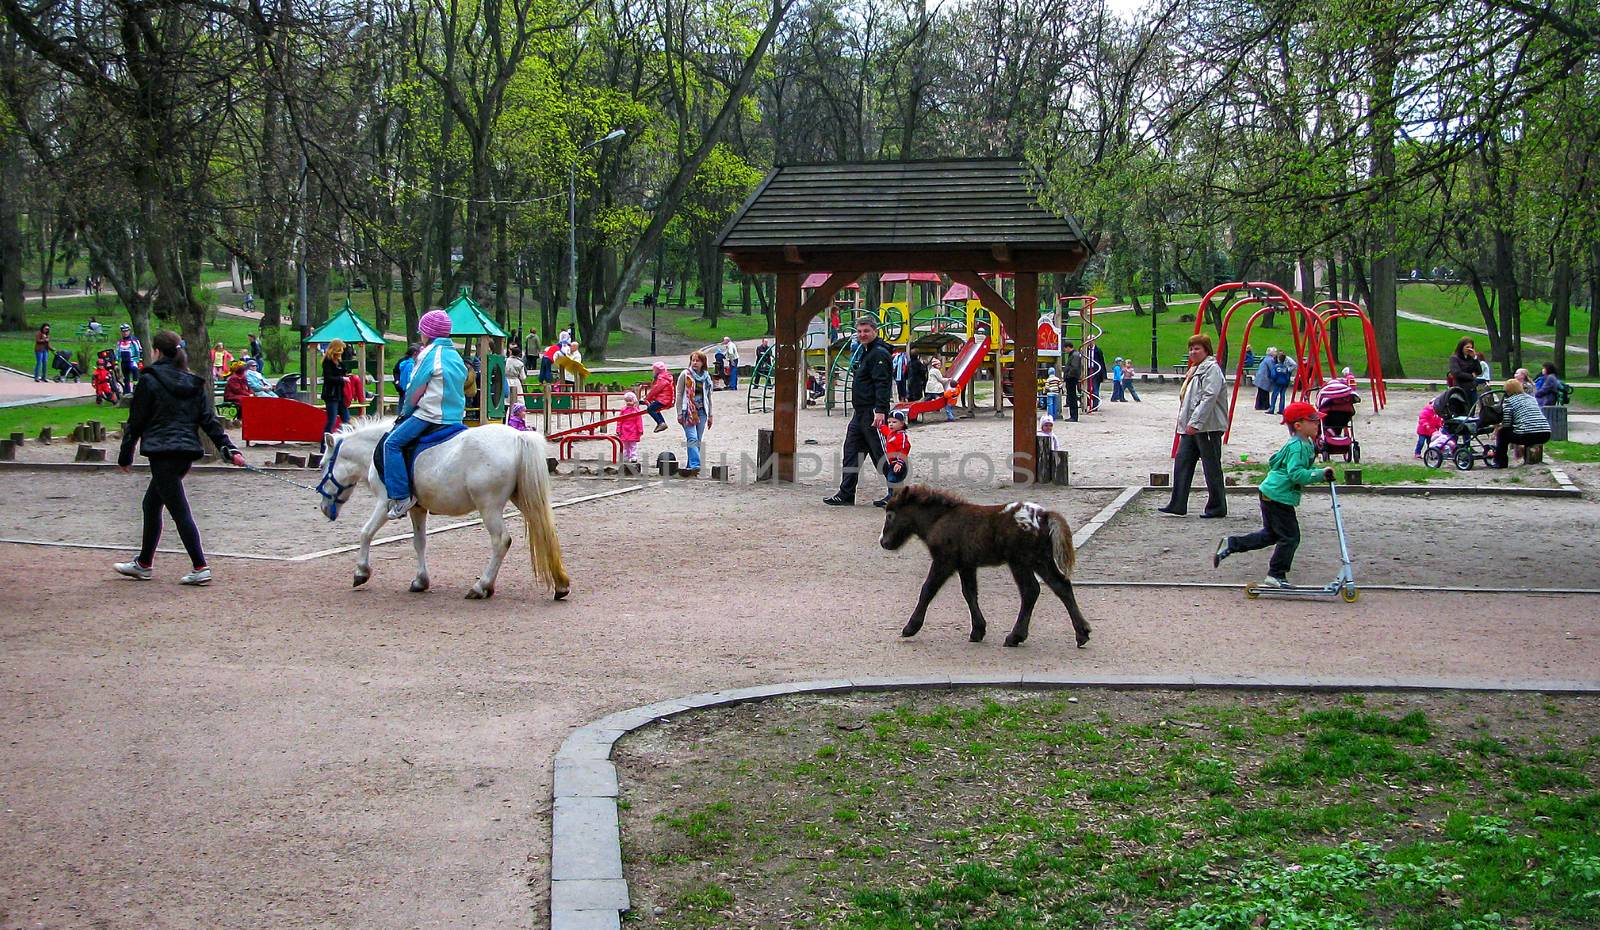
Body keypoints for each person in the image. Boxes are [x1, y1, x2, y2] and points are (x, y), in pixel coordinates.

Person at [114, 329, 246, 586]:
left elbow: (136, 421)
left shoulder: (149, 380)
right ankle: (143, 563)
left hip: (162, 452)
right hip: (184, 453)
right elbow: (209, 421)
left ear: (157, 352)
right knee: (151, 504)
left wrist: (125, 454)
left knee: (178, 509)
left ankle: (200, 566)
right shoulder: (193, 383)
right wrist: (228, 448)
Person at [1212, 401, 1335, 589]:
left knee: (1271, 535)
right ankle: (1276, 574)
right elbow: (1296, 474)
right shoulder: (1298, 446)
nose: (1317, 424)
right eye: (1313, 421)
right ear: (1298, 425)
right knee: (1291, 537)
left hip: (1271, 494)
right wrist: (1320, 474)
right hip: (1278, 497)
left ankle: (1232, 543)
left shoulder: (1303, 443)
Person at [384, 309, 468, 518]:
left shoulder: (428, 354)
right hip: (456, 417)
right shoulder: (456, 356)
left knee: (391, 444)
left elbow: (414, 389)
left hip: (430, 415)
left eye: (422, 331)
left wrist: (405, 413)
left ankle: (401, 497)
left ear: (427, 333)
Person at [824, 316, 893, 506]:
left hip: (872, 412)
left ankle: (896, 494)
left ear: (875, 332)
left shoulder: (878, 353)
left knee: (881, 453)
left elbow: (883, 384)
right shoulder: (866, 352)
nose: (862, 334)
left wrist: (880, 410)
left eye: (866, 331)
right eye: (860, 331)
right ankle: (846, 493)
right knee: (851, 451)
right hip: (860, 413)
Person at [1159, 333, 1229, 519]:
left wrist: (1196, 423)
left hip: (1208, 426)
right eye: (1191, 348)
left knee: (1211, 466)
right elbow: (1188, 400)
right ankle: (1178, 503)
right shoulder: (1195, 370)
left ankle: (1217, 507)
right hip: (1191, 426)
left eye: (1197, 348)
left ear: (1206, 350)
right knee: (1182, 462)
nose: (1193, 352)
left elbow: (1209, 397)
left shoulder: (1211, 369)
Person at [1493, 378, 1551, 468]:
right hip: (1545, 433)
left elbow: (1507, 423)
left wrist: (1499, 426)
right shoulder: (1531, 399)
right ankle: (1527, 457)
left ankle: (1500, 462)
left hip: (1528, 434)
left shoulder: (1509, 401)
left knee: (1502, 433)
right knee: (1523, 431)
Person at [677, 351, 714, 476]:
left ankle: (690, 466)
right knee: (692, 438)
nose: (695, 363)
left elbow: (709, 396)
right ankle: (696, 465)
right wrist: (679, 413)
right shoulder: (685, 374)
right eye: (693, 360)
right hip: (688, 410)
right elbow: (679, 393)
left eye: (697, 360)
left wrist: (710, 415)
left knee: (697, 440)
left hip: (702, 411)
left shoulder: (706, 377)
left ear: (703, 363)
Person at [875, 409, 911, 507]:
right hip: (892, 463)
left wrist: (900, 462)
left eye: (894, 422)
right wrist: (880, 426)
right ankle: (894, 497)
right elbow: (886, 432)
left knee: (893, 480)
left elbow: (905, 449)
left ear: (902, 423)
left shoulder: (901, 436)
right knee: (892, 480)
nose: (891, 424)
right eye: (889, 422)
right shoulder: (892, 433)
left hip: (899, 464)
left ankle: (894, 498)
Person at [320, 341, 350, 444]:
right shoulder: (328, 361)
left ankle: (344, 441)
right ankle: (324, 444)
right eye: (341, 349)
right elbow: (328, 378)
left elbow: (343, 372)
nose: (342, 351)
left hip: (340, 394)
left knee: (346, 419)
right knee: (331, 420)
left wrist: (347, 376)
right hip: (331, 395)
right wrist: (342, 379)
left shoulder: (339, 362)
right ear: (336, 349)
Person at [643, 361, 674, 432]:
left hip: (664, 399)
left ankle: (660, 423)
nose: (653, 372)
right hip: (666, 398)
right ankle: (662, 423)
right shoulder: (665, 377)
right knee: (654, 408)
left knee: (650, 409)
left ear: (657, 371)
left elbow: (655, 390)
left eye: (653, 370)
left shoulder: (661, 379)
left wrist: (647, 398)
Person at [1447, 337, 1480, 404]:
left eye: (1471, 347)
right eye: (1467, 347)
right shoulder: (1454, 358)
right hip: (1461, 388)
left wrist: (1475, 358)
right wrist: (1471, 376)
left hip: (1472, 388)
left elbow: (1479, 371)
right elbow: (1457, 373)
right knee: (1462, 409)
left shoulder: (1471, 358)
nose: (1469, 349)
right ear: (1461, 347)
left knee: (1471, 410)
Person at [617, 391, 644, 464]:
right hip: (624, 430)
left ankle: (633, 457)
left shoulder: (636, 411)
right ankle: (626, 457)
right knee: (625, 445)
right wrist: (618, 429)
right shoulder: (623, 410)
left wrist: (640, 430)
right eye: (627, 401)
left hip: (633, 430)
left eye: (630, 401)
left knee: (633, 445)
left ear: (634, 401)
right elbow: (620, 421)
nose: (628, 402)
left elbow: (639, 421)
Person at [115, 324, 142, 393]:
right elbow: (117, 352)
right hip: (124, 362)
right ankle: (127, 392)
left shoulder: (134, 340)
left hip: (132, 361)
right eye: (123, 331)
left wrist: (140, 361)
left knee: (134, 372)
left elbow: (139, 350)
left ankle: (136, 389)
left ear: (129, 331)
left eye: (127, 331)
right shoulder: (120, 342)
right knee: (126, 378)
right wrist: (116, 363)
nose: (125, 333)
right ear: (121, 332)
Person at [1061, 340, 1083, 421]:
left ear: (1068, 347)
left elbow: (1074, 367)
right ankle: (1073, 416)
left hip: (1072, 378)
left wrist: (1068, 375)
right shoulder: (1075, 355)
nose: (1065, 351)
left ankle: (1074, 416)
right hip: (1072, 378)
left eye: (1065, 349)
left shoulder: (1074, 355)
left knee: (1072, 397)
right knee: (1071, 397)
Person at [1268, 349, 1292, 415]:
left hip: (1277, 382)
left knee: (1274, 395)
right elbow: (1288, 375)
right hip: (1284, 383)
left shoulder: (1276, 366)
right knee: (1282, 396)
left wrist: (1274, 380)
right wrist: (1287, 381)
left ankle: (1272, 409)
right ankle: (1281, 410)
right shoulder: (1286, 367)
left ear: (1278, 359)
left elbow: (1273, 375)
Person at [503, 347, 526, 413]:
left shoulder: (506, 361)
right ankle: (513, 417)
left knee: (505, 400)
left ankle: (504, 419)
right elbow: (522, 377)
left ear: (511, 352)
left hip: (506, 380)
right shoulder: (520, 363)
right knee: (517, 400)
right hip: (516, 382)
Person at [1089, 342, 1107, 406]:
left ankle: (1095, 405)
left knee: (1095, 389)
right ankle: (1087, 403)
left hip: (1096, 371)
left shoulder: (1098, 350)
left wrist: (1104, 375)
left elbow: (1102, 362)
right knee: (1087, 389)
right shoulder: (1086, 350)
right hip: (1087, 371)